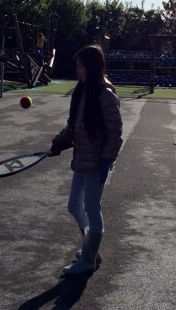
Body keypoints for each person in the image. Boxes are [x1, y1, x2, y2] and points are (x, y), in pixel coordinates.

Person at [50, 45, 123, 275]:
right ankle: (91, 250)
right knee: (74, 205)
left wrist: (106, 161)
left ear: (92, 67)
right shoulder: (81, 93)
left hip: (97, 164)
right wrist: (58, 142)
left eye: (81, 67)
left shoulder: (106, 95)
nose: (77, 71)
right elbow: (73, 126)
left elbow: (115, 133)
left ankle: (88, 260)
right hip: (82, 160)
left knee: (92, 209)